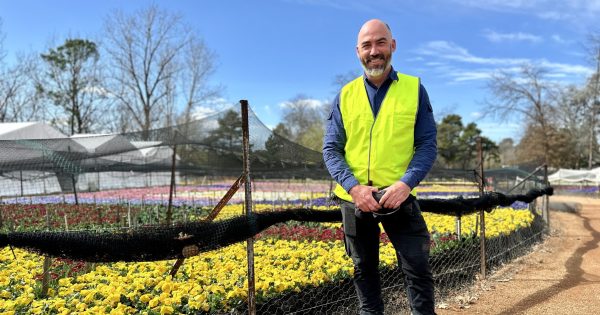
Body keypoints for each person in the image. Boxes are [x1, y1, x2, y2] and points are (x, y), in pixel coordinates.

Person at [323, 19, 437, 315]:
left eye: (381, 42)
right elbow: (331, 149)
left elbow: (426, 145)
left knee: (418, 268)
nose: (374, 51)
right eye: (366, 45)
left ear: (393, 45)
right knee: (364, 271)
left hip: (398, 196)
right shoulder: (345, 95)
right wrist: (353, 187)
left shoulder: (414, 89)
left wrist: (405, 184)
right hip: (354, 200)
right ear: (357, 51)